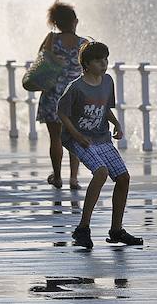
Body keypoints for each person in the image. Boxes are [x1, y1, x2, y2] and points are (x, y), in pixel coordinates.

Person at [57, 41, 143, 249]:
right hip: (78, 139)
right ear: (86, 64)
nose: (103, 64)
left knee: (123, 178)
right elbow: (62, 113)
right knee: (101, 172)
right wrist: (76, 135)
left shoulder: (107, 82)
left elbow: (104, 108)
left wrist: (116, 123)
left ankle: (116, 230)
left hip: (101, 137)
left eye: (105, 59)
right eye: (98, 61)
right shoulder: (76, 88)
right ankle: (82, 229)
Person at [35, 0, 86, 189]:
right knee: (75, 136)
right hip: (75, 97)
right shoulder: (84, 44)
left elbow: (40, 61)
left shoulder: (51, 40)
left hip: (52, 95)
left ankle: (57, 177)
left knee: (55, 138)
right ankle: (74, 178)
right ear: (75, 22)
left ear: (56, 23)